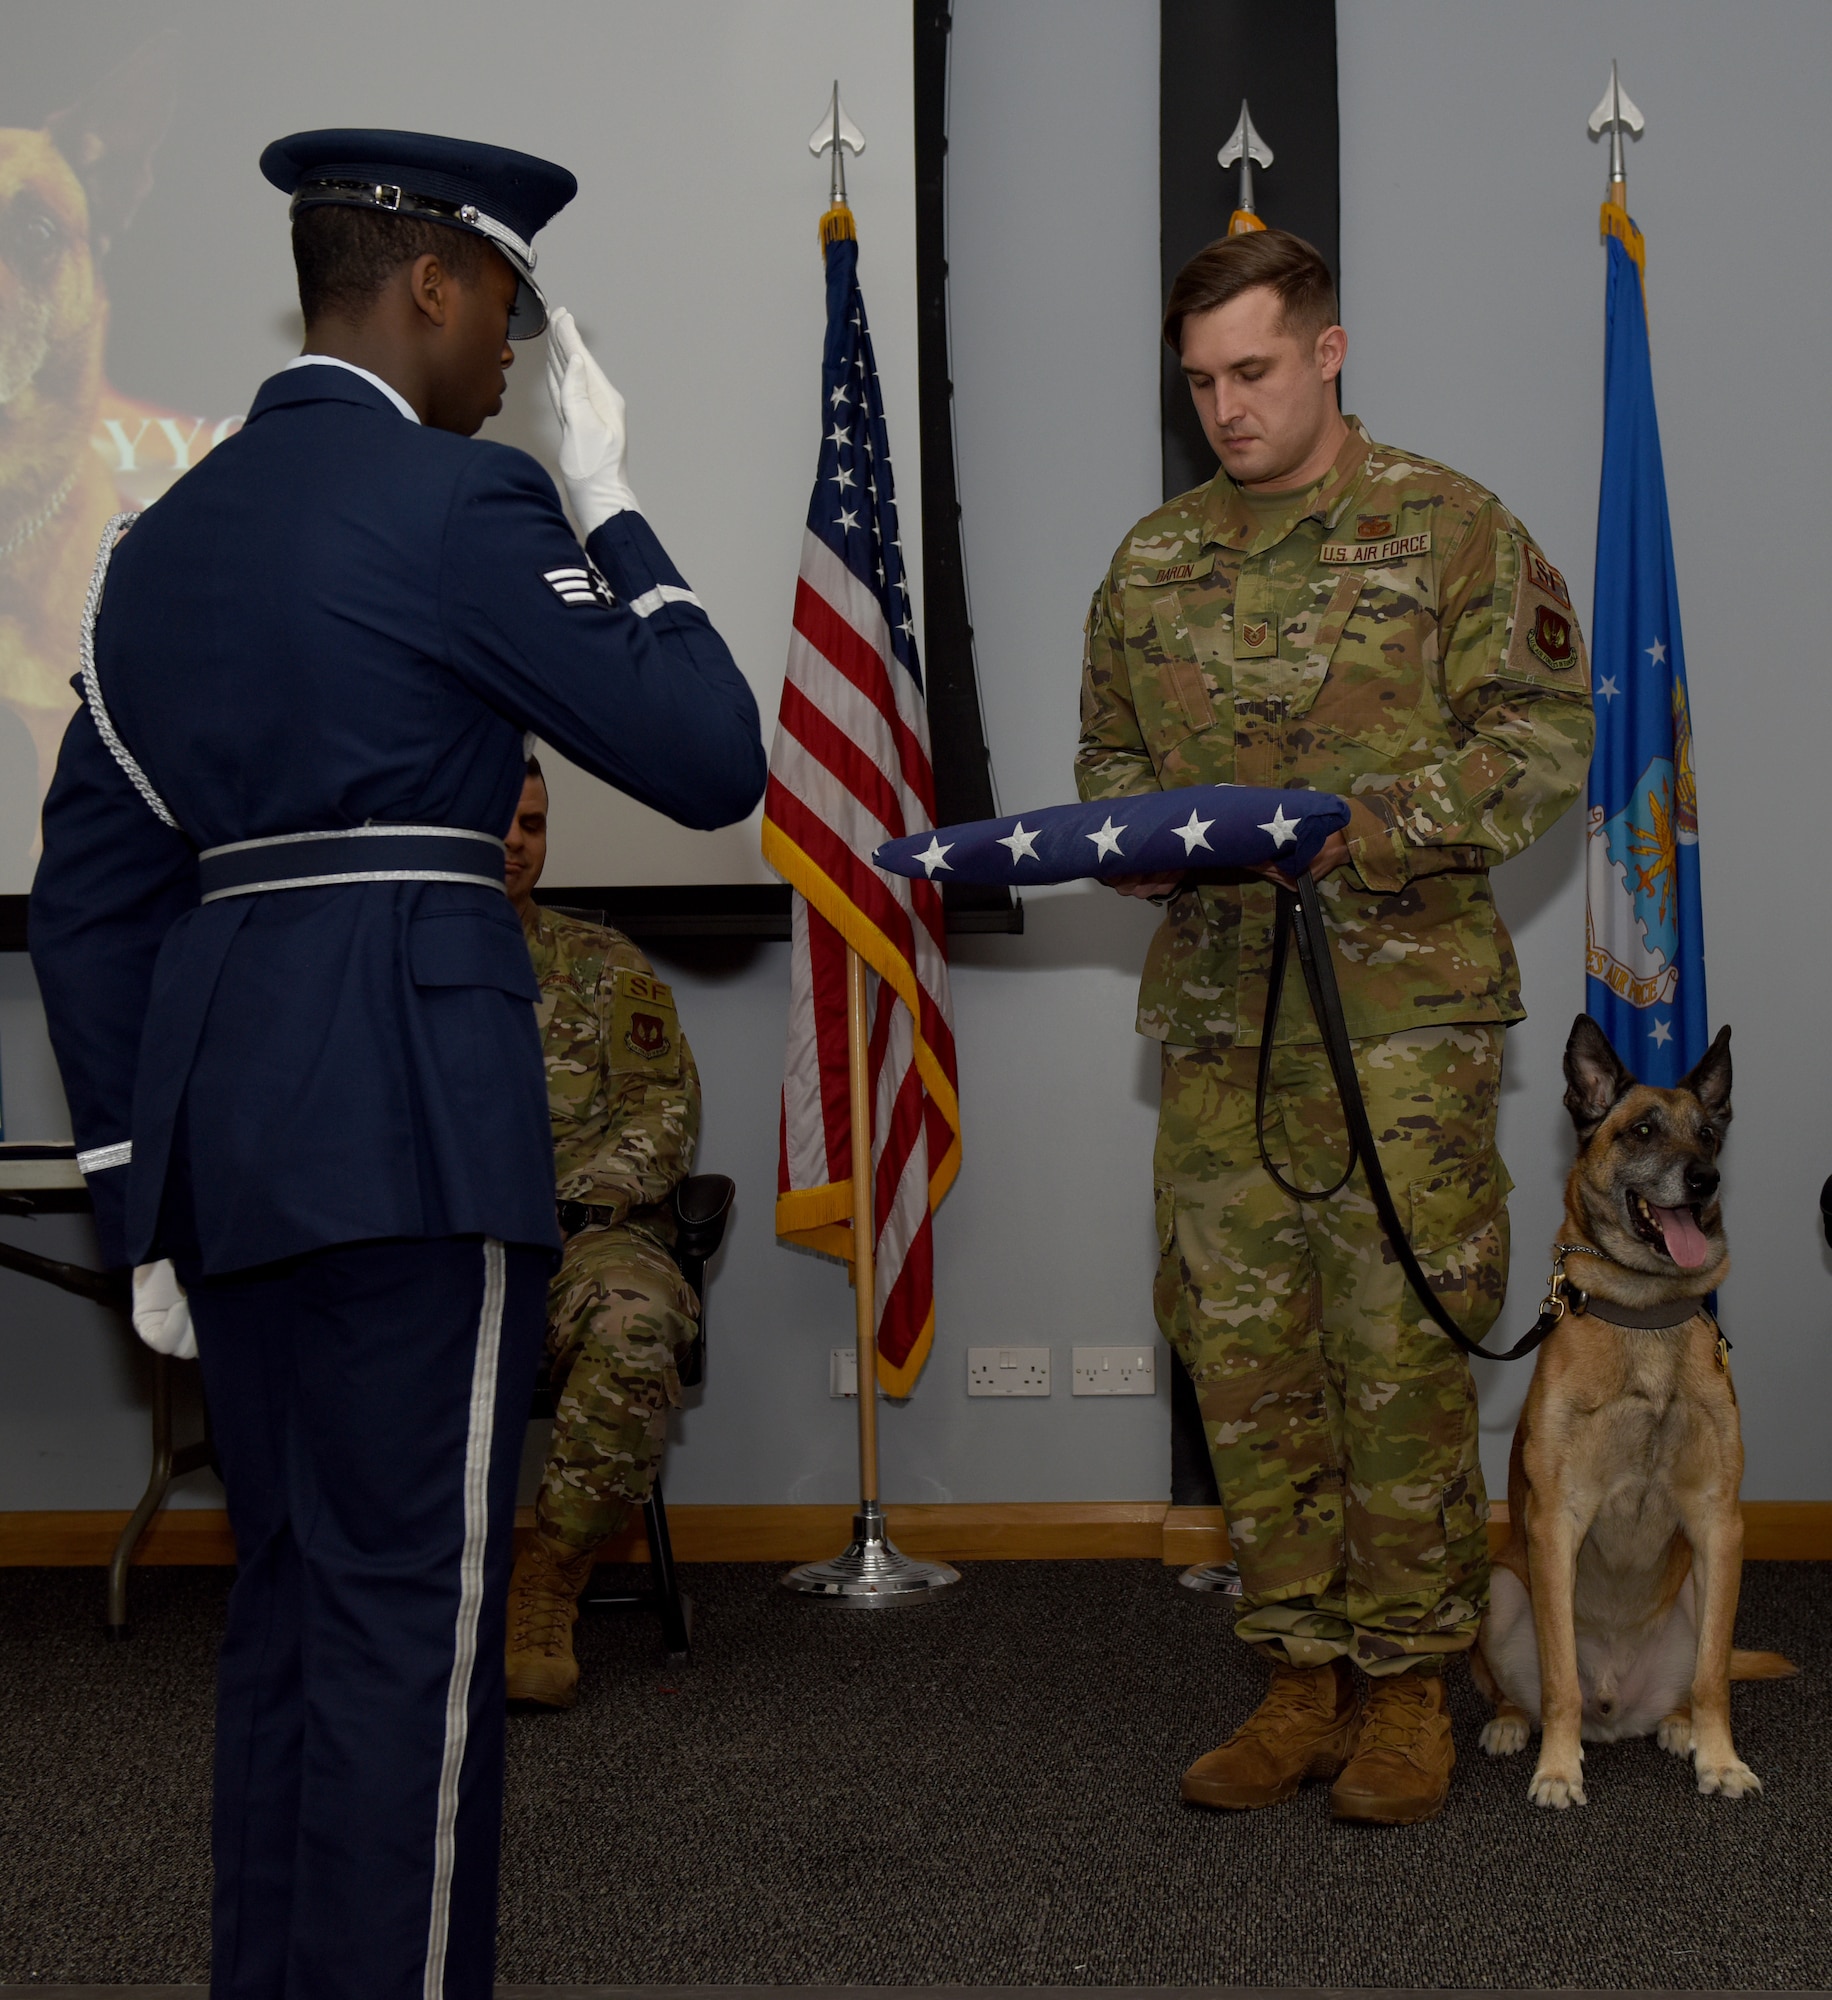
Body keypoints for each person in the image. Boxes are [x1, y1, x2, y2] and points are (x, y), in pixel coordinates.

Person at [29, 129, 766, 2000]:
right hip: (415, 1147)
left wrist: (136, 1192)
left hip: (228, 1158)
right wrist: (608, 502)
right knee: (405, 1648)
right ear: (429, 280)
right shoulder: (460, 509)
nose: (513, 355)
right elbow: (703, 753)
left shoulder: (146, 544)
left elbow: (97, 904)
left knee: (284, 1621)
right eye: (505, 307)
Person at [1076, 229, 1593, 1825]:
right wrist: (1151, 849)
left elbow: (1547, 741)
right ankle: (1297, 1679)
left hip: (1402, 1030)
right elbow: (1106, 767)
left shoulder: (1451, 531)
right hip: (1226, 1027)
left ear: (1327, 351)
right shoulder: (1152, 563)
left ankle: (1406, 1695)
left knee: (1398, 1361)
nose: (1225, 409)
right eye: (1200, 384)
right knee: (1245, 1365)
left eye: (1250, 372)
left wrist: (1356, 827)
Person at [497, 759, 701, 1708]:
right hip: (430, 1243)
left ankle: (547, 1581)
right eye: (497, 822)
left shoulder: (600, 963)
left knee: (635, 1323)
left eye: (532, 825)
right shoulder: (375, 962)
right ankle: (380, 1599)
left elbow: (662, 1111)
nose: (515, 843)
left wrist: (578, 1196)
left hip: (578, 1237)